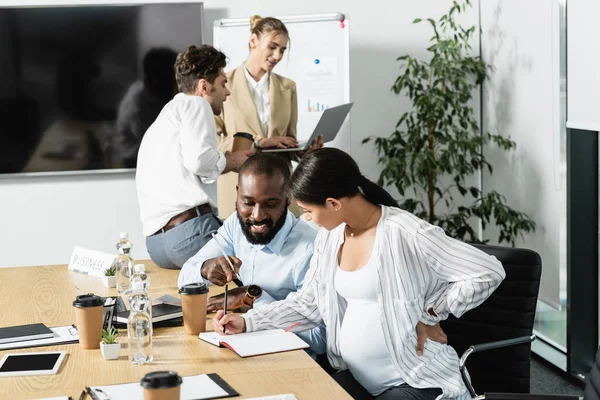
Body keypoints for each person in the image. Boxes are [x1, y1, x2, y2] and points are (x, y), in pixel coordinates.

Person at [212, 148, 506, 400]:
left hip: (415, 383)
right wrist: (249, 322)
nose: (306, 218)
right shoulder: (331, 237)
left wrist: (431, 312)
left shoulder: (405, 232)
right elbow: (310, 303)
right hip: (362, 379)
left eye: (309, 210)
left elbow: (488, 271)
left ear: (334, 204)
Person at [178, 153, 326, 356]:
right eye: (248, 203)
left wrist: (252, 297)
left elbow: (319, 340)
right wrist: (205, 269)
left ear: (288, 197)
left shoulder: (310, 249)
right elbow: (185, 278)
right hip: (241, 343)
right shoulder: (234, 225)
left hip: (291, 361)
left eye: (270, 204)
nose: (257, 216)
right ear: (238, 193)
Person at [136, 45, 251, 270]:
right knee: (266, 256)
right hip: (189, 236)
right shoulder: (197, 103)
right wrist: (234, 161)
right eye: (223, 83)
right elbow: (199, 161)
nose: (227, 92)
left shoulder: (168, 114)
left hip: (158, 246)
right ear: (203, 86)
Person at [215, 15, 322, 219]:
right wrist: (259, 143)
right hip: (240, 186)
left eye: (282, 49)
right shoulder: (224, 84)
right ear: (253, 41)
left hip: (279, 188)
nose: (277, 55)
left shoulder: (288, 87)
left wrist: (303, 152)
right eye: (272, 47)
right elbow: (215, 142)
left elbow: (288, 140)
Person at [115, 47, 178, 168]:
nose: (177, 81)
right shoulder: (137, 108)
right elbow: (156, 144)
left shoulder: (156, 91)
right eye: (173, 76)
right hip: (138, 162)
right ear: (157, 78)